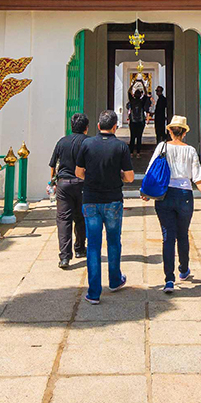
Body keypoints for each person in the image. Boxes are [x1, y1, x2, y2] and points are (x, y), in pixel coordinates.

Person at [149, 115, 201, 293]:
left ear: (170, 131)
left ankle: (169, 279)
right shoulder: (191, 151)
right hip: (185, 194)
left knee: (167, 236)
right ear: (184, 133)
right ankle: (183, 269)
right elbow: (198, 177)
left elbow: (151, 170)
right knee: (183, 234)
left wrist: (146, 192)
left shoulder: (162, 147)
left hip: (165, 194)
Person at [75, 109, 133, 303]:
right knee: (114, 241)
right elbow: (130, 177)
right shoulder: (121, 146)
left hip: (91, 199)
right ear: (115, 127)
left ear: (99, 126)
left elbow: (78, 172)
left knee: (93, 245)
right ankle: (115, 280)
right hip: (113, 200)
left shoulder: (87, 144)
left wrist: (91, 179)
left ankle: (94, 292)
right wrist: (119, 176)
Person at [48, 114, 89, 269]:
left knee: (64, 220)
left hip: (64, 184)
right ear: (86, 127)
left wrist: (52, 182)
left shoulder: (62, 142)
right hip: (82, 183)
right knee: (81, 217)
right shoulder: (88, 142)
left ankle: (64, 257)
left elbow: (52, 165)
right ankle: (79, 248)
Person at [126, 85, 152, 150]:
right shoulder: (141, 102)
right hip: (140, 121)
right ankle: (138, 152)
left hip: (133, 121)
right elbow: (145, 93)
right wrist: (143, 84)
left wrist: (133, 83)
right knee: (139, 137)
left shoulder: (132, 101)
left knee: (132, 137)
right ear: (141, 95)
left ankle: (131, 152)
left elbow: (129, 92)